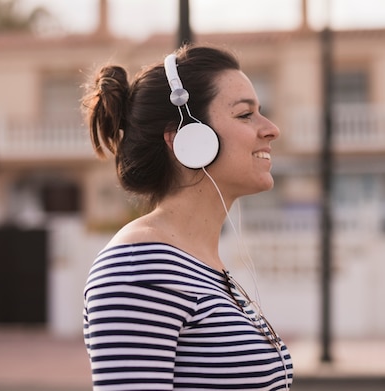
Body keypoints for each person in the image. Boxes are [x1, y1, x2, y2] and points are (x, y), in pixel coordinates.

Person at [81, 43, 293, 390]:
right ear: (187, 138)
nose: (271, 129)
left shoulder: (200, 264)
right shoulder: (139, 269)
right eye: (244, 114)